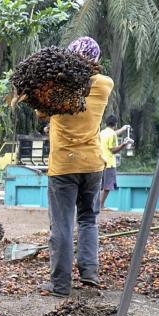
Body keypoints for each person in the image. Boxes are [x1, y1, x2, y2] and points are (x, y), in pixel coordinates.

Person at [41, 37, 114, 297]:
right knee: (88, 219)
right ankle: (89, 272)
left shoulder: (54, 89)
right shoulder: (105, 85)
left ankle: (61, 286)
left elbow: (40, 111)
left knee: (61, 225)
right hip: (93, 164)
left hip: (63, 166)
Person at [99, 114, 130, 209]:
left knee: (100, 186)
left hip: (100, 163)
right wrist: (124, 144)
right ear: (115, 124)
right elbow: (113, 150)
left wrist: (123, 129)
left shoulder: (102, 132)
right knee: (107, 186)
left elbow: (114, 133)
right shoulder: (112, 135)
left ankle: (97, 205)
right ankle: (101, 205)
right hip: (109, 164)